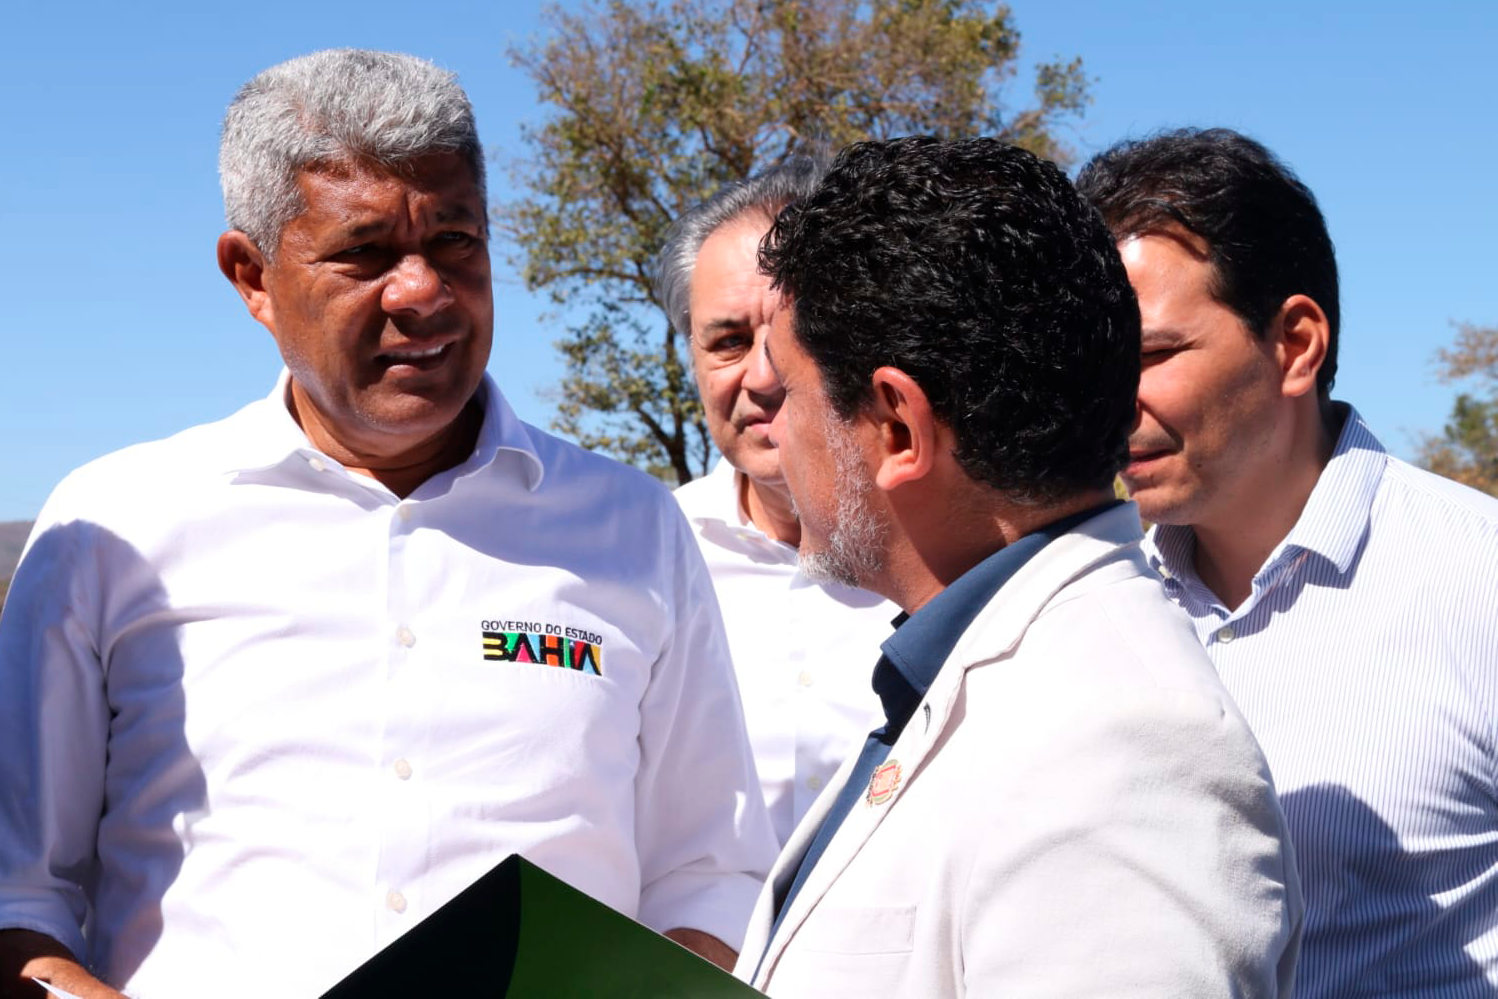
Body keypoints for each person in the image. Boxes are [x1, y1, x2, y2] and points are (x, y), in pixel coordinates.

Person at [0, 49, 775, 999]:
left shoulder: (633, 527)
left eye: (456, 242)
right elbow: (19, 901)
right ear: (251, 276)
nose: (422, 292)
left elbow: (711, 871)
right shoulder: (109, 530)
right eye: (364, 253)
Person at [734, 135, 1302, 997]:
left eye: (787, 393)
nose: (768, 434)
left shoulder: (1120, 750)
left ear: (896, 426)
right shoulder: (1003, 684)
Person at [1077, 127, 1498, 998]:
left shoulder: (1476, 580)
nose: (1111, 401)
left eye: (1152, 355)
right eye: (1093, 362)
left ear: (1296, 343)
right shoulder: (1091, 610)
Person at [656, 160, 895, 847]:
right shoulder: (641, 559)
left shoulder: (965, 558)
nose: (763, 376)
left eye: (798, 333)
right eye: (727, 342)